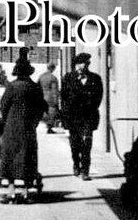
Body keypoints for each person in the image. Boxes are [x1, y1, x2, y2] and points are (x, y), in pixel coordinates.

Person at [0, 59, 47, 203]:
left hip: (12, 127)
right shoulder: (34, 87)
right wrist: (35, 122)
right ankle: (25, 192)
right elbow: (41, 107)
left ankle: (11, 192)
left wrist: (6, 121)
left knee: (10, 158)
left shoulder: (12, 87)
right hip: (28, 128)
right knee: (27, 157)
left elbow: (3, 106)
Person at [62, 52, 104, 181]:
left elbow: (99, 96)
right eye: (80, 63)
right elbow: (63, 97)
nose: (83, 66)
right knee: (75, 145)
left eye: (85, 63)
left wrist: (91, 107)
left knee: (87, 144)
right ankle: (76, 164)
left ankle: (85, 171)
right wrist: (65, 115)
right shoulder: (68, 78)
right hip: (72, 117)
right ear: (76, 65)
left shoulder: (95, 78)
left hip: (88, 117)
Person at [38, 61, 60, 133]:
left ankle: (46, 124)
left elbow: (37, 87)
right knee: (51, 112)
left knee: (44, 112)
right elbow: (54, 90)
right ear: (53, 68)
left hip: (42, 96)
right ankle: (49, 127)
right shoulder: (53, 78)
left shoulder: (41, 76)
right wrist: (56, 100)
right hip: (50, 97)